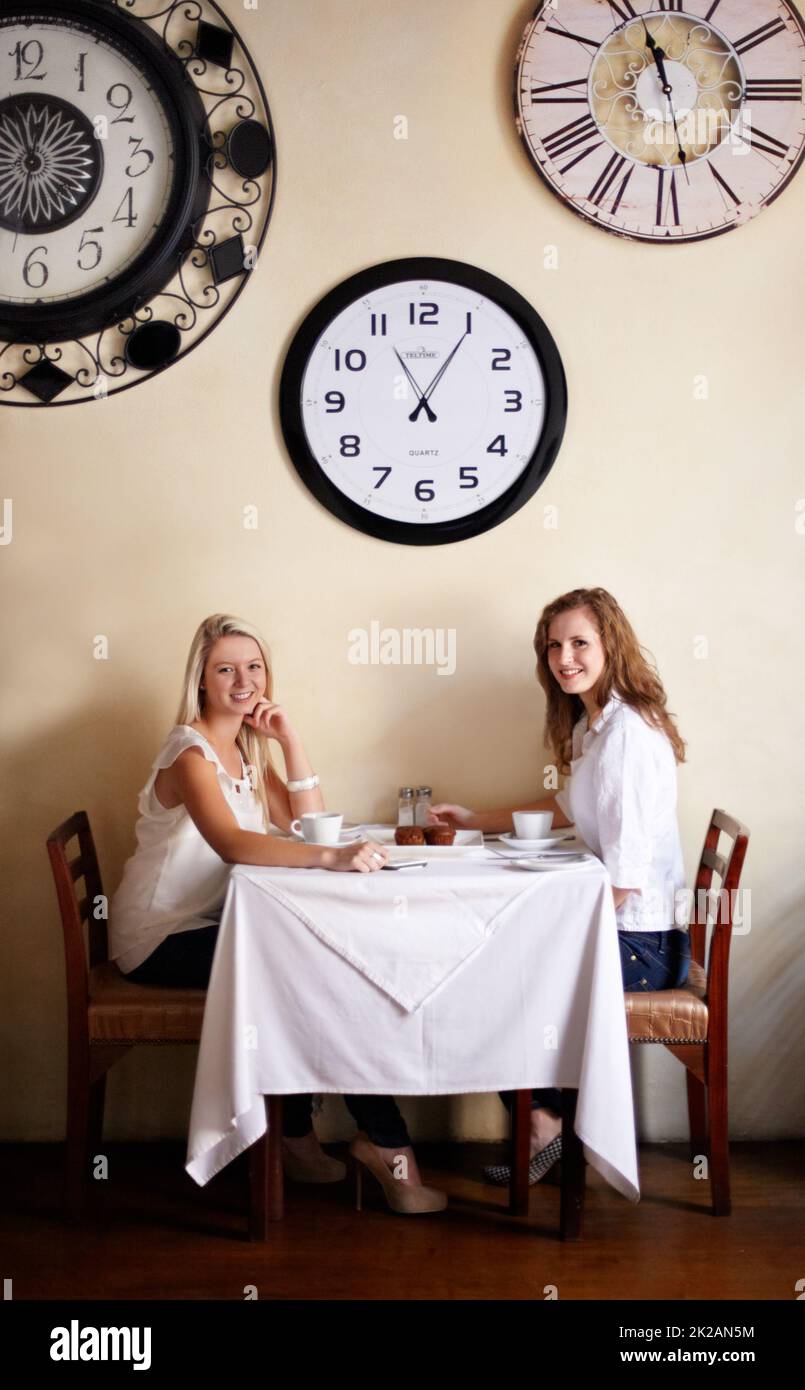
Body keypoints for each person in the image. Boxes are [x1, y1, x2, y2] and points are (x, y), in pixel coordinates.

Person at [109, 613, 446, 1215]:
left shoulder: (241, 745)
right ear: (202, 681)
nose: (243, 680)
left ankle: (303, 1137)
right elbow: (234, 845)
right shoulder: (190, 752)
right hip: (159, 937)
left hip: (214, 925)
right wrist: (330, 858)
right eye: (226, 669)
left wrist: (290, 741)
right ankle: (379, 1142)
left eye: (254, 666)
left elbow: (304, 822)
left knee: (320, 968)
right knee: (317, 976)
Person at [429, 587, 690, 1188]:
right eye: (554, 646)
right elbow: (567, 806)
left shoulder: (625, 734)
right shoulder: (594, 726)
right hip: (630, 932)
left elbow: (625, 878)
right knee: (490, 964)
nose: (564, 658)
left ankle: (548, 1125)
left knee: (492, 978)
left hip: (644, 946)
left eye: (579, 643)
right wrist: (474, 820)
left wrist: (557, 933)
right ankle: (550, 1120)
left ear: (610, 646)